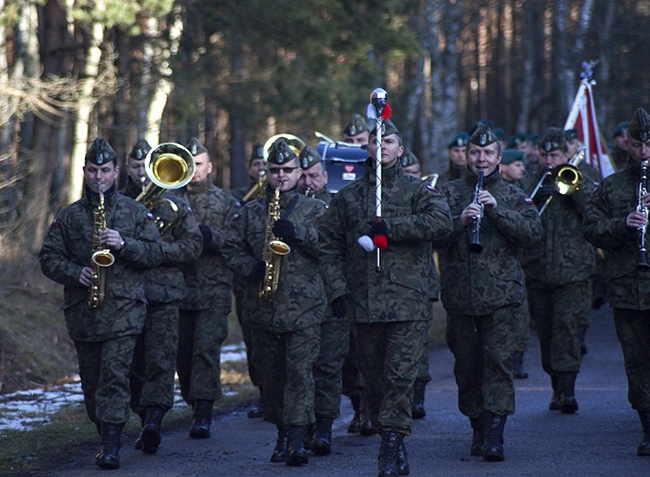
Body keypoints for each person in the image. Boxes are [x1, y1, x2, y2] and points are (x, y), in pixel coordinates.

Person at [319, 119, 452, 476]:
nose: (383, 147)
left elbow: (442, 223)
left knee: (400, 376)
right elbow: (328, 245)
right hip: (362, 303)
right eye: (376, 142)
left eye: (389, 141)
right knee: (373, 378)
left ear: (400, 148)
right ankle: (389, 434)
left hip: (407, 302)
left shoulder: (417, 190)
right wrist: (336, 289)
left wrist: (392, 228)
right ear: (368, 148)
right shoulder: (348, 197)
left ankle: (390, 446)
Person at [39, 137, 163, 469]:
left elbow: (155, 254)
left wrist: (125, 244)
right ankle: (103, 431)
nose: (98, 177)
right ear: (84, 172)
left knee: (114, 376)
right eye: (93, 171)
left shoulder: (136, 211)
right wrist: (73, 272)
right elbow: (49, 258)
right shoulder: (69, 216)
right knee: (92, 381)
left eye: (105, 171)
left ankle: (111, 444)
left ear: (116, 172)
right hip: (84, 313)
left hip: (124, 312)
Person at [434, 123, 541, 462]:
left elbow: (533, 233)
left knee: (498, 364)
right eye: (475, 153)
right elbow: (431, 236)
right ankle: (478, 425)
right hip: (460, 296)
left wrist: (498, 212)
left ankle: (495, 433)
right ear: (466, 157)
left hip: (502, 297)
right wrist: (459, 221)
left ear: (498, 157)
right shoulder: (449, 193)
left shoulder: (513, 192)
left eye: (488, 154)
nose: (481, 159)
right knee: (467, 367)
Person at [223, 137, 327, 466]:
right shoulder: (251, 212)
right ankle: (282, 431)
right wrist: (250, 268)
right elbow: (229, 249)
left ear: (299, 172)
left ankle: (296, 438)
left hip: (304, 308)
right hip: (262, 309)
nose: (281, 176)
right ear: (264, 173)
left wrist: (298, 232)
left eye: (287, 170)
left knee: (300, 373)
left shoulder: (316, 209)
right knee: (272, 377)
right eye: (274, 170)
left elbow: (330, 247)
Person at [121, 139, 203, 454]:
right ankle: (143, 416)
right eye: (136, 166)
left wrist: (156, 252)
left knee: (161, 360)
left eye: (146, 167)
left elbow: (193, 246)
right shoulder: (115, 204)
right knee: (131, 365)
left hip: (165, 296)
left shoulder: (176, 205)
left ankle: (154, 420)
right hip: (127, 295)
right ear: (127, 168)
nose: (142, 173)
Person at [583, 107, 650, 457]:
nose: (644, 153)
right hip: (627, 288)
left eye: (649, 145)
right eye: (638, 144)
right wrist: (623, 224)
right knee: (638, 361)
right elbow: (590, 229)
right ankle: (647, 425)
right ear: (626, 144)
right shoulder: (611, 186)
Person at [525, 127, 598, 415]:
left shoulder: (583, 175)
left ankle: (568, 390)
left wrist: (573, 189)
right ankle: (555, 383)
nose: (549, 161)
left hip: (573, 270)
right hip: (537, 269)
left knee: (566, 328)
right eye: (544, 155)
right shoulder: (532, 178)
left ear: (566, 153)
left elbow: (594, 210)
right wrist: (538, 194)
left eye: (555, 155)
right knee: (545, 331)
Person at [174, 137, 239, 439]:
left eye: (199, 164)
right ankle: (192, 399)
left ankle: (203, 413)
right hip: (177, 291)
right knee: (183, 355)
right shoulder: (169, 200)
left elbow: (237, 241)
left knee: (206, 352)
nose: (194, 170)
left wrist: (208, 236)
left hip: (213, 290)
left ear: (210, 167)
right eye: (190, 164)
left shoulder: (226, 202)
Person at [297, 144, 346, 455]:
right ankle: (300, 427)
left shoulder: (338, 207)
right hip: (296, 301)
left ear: (325, 176)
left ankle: (325, 426)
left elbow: (335, 246)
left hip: (329, 297)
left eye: (313, 176)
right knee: (299, 367)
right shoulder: (284, 204)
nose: (307, 183)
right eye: (302, 176)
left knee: (328, 366)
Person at [401, 147, 441, 417]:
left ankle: (417, 396)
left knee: (419, 343)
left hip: (422, 282)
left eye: (414, 173)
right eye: (406, 174)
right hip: (393, 284)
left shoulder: (426, 198)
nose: (410, 178)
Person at [230, 142, 268, 418]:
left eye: (268, 165)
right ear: (250, 168)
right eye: (258, 165)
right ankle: (263, 392)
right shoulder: (238, 198)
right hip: (246, 282)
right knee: (253, 340)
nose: (263, 170)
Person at [498, 148, 533, 379]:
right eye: (516, 164)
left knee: (520, 315)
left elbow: (532, 229)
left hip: (524, 265)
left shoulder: (521, 190)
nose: (522, 168)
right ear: (503, 167)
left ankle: (517, 359)